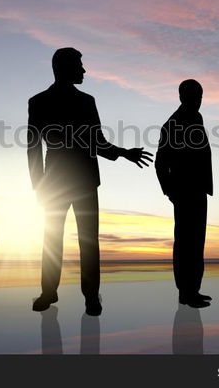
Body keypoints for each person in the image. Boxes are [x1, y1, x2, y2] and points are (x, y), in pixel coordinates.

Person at [27, 47, 153, 316]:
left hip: (83, 180)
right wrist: (37, 184)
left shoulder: (86, 101)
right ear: (65, 68)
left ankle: (91, 296)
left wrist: (123, 153)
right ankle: (49, 291)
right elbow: (33, 147)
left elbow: (99, 142)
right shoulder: (38, 102)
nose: (84, 71)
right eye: (80, 65)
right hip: (56, 183)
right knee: (52, 239)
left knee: (86, 241)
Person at [155, 79, 213, 308]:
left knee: (197, 242)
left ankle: (194, 290)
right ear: (182, 97)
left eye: (200, 97)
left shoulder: (197, 118)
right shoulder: (172, 124)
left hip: (199, 190)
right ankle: (185, 292)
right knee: (185, 243)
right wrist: (170, 191)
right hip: (183, 192)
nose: (199, 101)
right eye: (194, 97)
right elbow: (160, 163)